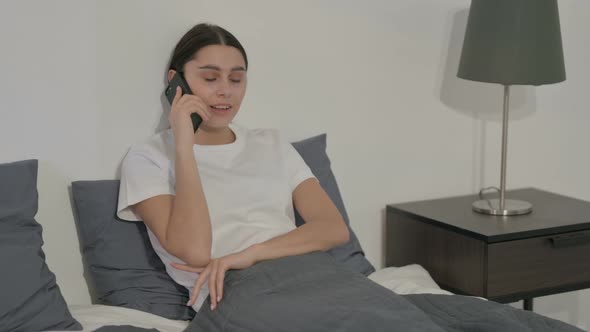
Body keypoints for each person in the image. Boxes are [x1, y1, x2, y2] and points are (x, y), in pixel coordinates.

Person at [116, 23, 350, 313]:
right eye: (211, 78)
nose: (225, 91)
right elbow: (196, 252)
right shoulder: (148, 158)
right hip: (235, 291)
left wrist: (249, 254)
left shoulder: (271, 143)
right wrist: (184, 148)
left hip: (312, 273)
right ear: (176, 82)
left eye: (236, 79)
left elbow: (334, 228)